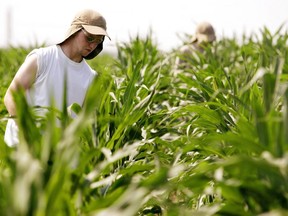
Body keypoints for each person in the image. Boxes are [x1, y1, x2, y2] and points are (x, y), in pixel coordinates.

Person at [3, 9, 110, 147]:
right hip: (20, 149)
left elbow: (84, 124)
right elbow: (11, 97)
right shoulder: (42, 58)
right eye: (89, 38)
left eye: (98, 41)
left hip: (54, 158)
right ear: (75, 30)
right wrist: (28, 132)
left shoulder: (91, 78)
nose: (92, 45)